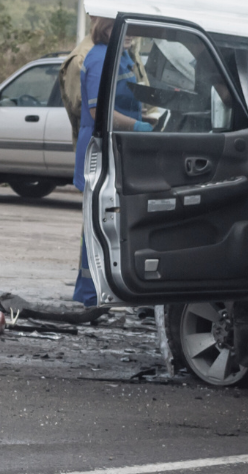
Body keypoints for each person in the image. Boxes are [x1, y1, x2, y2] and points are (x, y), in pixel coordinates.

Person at [71, 16, 152, 306]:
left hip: (118, 147)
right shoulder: (99, 58)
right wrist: (138, 126)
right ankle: (90, 295)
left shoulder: (121, 57)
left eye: (132, 31)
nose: (131, 36)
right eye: (122, 30)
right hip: (100, 149)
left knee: (111, 221)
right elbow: (99, 112)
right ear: (106, 29)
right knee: (98, 223)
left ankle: (102, 291)